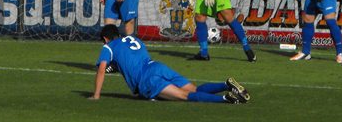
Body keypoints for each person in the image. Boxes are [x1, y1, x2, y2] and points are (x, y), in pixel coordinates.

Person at [91, 24, 250, 104]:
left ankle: (224, 99)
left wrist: (96, 96)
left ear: (105, 39)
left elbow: (101, 70)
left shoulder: (108, 47)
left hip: (147, 79)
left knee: (184, 96)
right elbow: (130, 59)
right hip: (157, 66)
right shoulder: (132, 39)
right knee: (193, 89)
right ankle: (226, 84)